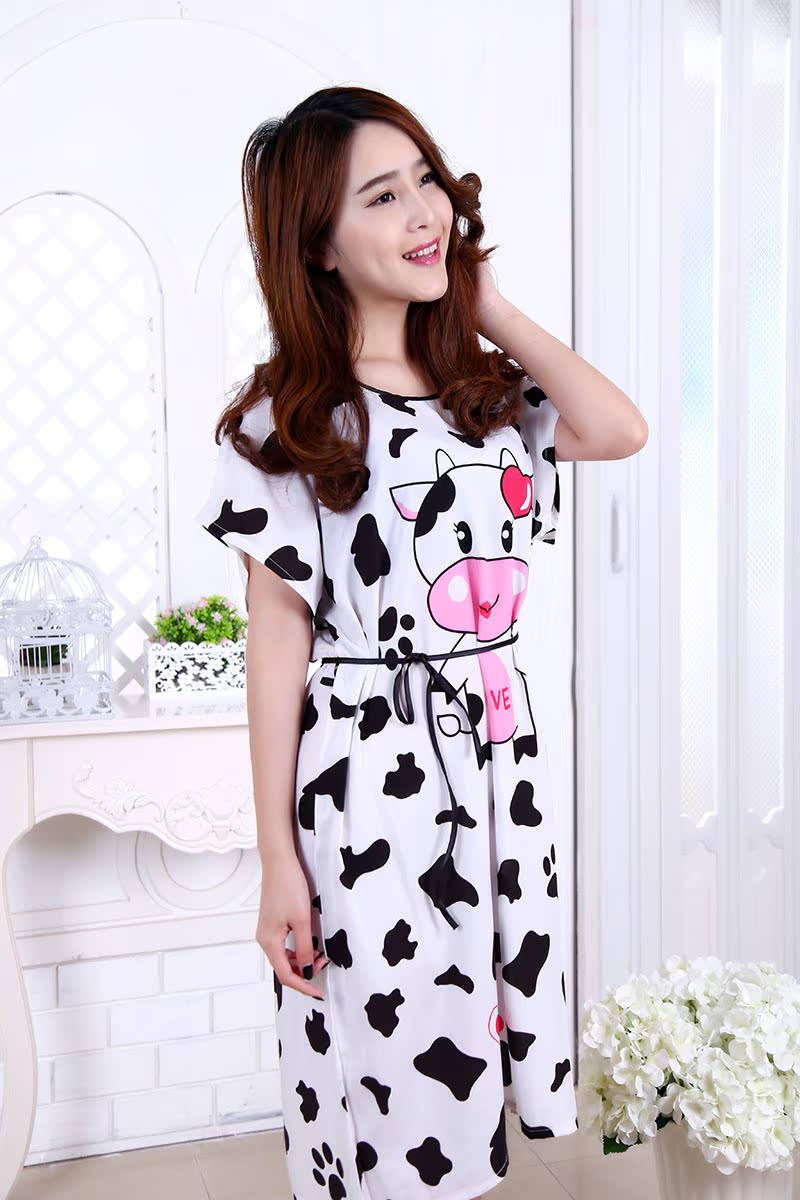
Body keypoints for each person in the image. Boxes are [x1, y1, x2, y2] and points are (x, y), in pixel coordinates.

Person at [195, 85, 647, 1200]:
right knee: (390, 1065)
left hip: (500, 765)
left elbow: (617, 429)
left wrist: (492, 308)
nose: (422, 212)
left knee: (476, 1050)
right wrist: (276, 860)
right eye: (381, 196)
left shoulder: (489, 395)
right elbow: (275, 646)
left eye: (426, 181)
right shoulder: (289, 423)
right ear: (319, 245)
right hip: (371, 779)